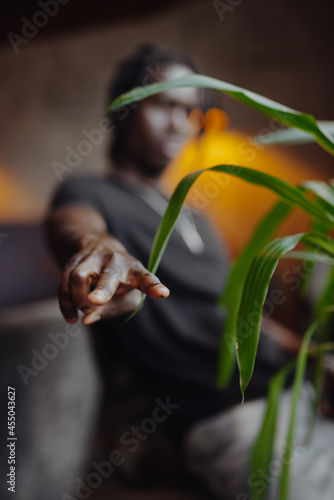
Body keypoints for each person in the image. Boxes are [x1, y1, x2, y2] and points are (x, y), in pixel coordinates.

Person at [46, 44, 334, 500]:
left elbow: (242, 319)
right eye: (164, 104)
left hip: (298, 398)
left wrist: (315, 360)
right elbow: (75, 226)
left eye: (190, 111)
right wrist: (98, 247)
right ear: (123, 108)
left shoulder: (197, 217)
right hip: (231, 420)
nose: (180, 122)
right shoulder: (90, 192)